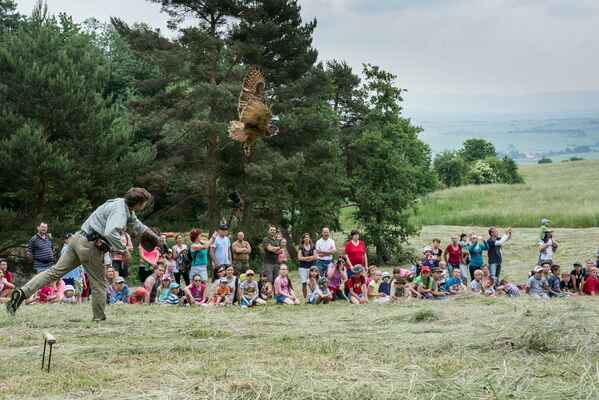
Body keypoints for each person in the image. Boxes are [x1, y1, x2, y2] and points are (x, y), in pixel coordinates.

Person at [7, 189, 162, 321]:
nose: (145, 206)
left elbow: (138, 225)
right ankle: (99, 318)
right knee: (99, 284)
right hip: (91, 246)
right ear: (138, 203)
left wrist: (156, 238)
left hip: (77, 239)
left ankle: (22, 292)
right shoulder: (120, 212)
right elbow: (110, 231)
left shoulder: (120, 203)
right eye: (144, 203)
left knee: (53, 272)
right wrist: (124, 250)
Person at [297, 233, 317, 300]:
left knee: (312, 282)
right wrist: (309, 258)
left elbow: (315, 257)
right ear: (303, 239)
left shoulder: (312, 246)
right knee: (304, 283)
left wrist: (305, 258)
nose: (307, 239)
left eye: (308, 237)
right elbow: (299, 258)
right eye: (305, 237)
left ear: (309, 238)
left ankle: (313, 296)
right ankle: (305, 298)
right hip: (302, 267)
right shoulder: (301, 247)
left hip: (311, 267)